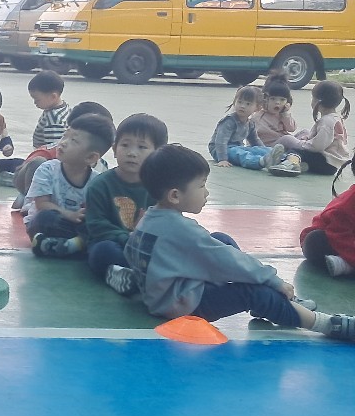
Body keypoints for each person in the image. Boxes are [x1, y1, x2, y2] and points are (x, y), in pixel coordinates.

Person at [123, 144, 353, 342]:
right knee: (254, 292)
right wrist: (273, 280)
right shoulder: (181, 230)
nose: (207, 192)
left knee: (220, 239)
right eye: (201, 185)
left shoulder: (149, 219)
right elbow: (229, 261)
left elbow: (131, 251)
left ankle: (280, 303)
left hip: (163, 296)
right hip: (182, 306)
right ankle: (326, 324)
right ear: (174, 195)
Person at [84, 113, 168, 295]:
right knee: (102, 252)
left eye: (142, 147)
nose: (131, 153)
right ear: (114, 149)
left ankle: (137, 276)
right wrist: (130, 238)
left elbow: (170, 221)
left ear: (158, 153)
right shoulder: (100, 185)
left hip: (147, 247)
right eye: (125, 145)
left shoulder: (160, 187)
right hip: (115, 243)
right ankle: (131, 276)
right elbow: (96, 225)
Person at [25, 113, 116, 258]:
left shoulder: (97, 181)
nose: (63, 143)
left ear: (91, 157)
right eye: (65, 136)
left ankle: (61, 246)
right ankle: (76, 246)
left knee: (98, 228)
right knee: (44, 218)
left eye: (74, 141)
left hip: (75, 228)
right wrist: (69, 214)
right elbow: (41, 204)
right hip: (50, 222)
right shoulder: (47, 169)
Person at [269, 79, 351, 177]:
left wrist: (303, 144)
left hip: (326, 163)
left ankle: (291, 164)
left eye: (313, 98)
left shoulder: (327, 121)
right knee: (305, 133)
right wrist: (307, 138)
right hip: (330, 164)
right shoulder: (335, 118)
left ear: (318, 101)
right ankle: (303, 165)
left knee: (295, 151)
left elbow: (317, 146)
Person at [300, 159, 355, 277]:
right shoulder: (347, 205)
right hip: (330, 240)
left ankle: (347, 265)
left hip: (349, 237)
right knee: (315, 240)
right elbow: (339, 238)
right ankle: (345, 264)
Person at [208, 84, 279, 170]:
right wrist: (222, 159)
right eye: (240, 102)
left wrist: (264, 150)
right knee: (240, 154)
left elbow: (255, 141)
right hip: (220, 150)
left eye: (248, 104)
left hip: (238, 147)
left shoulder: (250, 123)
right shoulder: (229, 121)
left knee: (256, 150)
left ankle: (283, 159)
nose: (242, 106)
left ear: (257, 108)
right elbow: (220, 141)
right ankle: (261, 161)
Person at [251, 72, 298, 148]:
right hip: (268, 146)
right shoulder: (259, 116)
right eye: (273, 99)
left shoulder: (283, 115)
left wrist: (285, 114)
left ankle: (303, 147)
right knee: (287, 139)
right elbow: (255, 133)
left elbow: (291, 128)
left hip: (283, 142)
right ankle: (304, 148)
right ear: (265, 99)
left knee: (304, 132)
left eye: (282, 100)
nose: (277, 103)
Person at [29, 70, 70, 149]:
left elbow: (54, 148)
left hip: (45, 154)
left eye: (37, 99)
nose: (35, 102)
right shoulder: (63, 107)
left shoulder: (54, 120)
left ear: (53, 97)